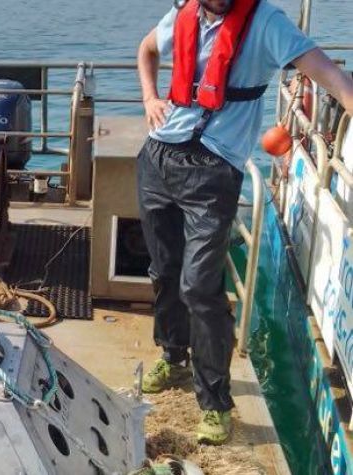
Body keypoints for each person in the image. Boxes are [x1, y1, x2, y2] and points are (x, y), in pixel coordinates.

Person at [136, 0, 353, 445]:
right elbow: (147, 51)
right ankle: (173, 355)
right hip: (158, 158)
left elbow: (327, 73)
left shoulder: (266, 23)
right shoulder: (184, 14)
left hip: (214, 169)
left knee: (200, 286)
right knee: (163, 270)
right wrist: (149, 97)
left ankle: (215, 403)